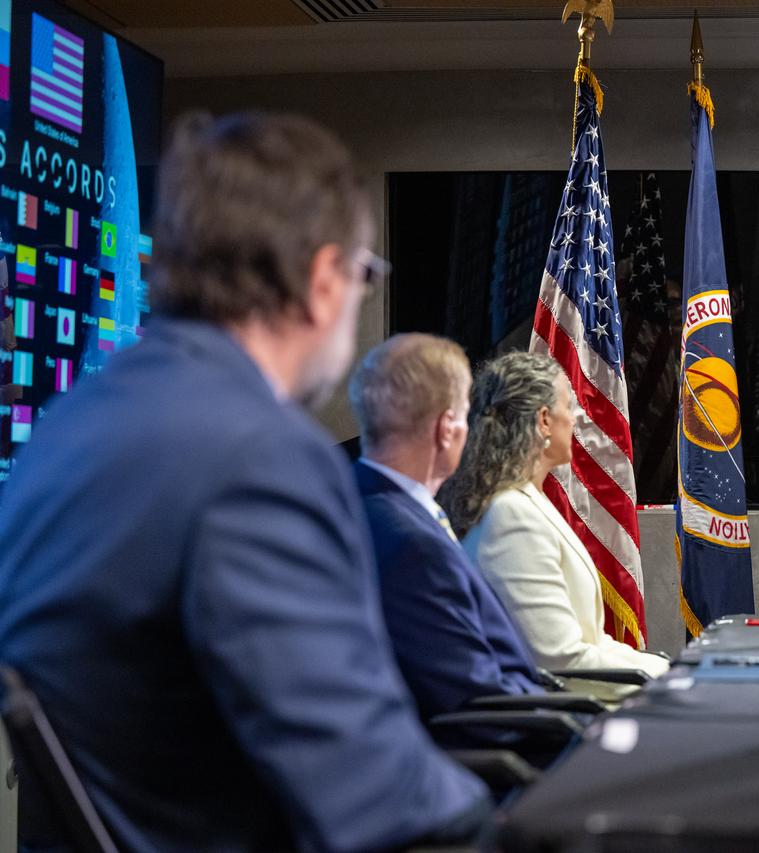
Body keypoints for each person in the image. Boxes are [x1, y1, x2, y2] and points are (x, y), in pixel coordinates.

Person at [0, 112, 489, 851]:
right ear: (325, 280)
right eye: (363, 275)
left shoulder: (64, 428)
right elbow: (381, 797)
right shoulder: (263, 457)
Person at [348, 333, 544, 723]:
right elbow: (478, 701)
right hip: (507, 751)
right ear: (446, 428)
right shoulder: (411, 543)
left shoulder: (356, 502)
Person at [439, 352, 669, 679]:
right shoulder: (510, 516)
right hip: (569, 715)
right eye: (568, 406)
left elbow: (592, 641)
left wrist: (669, 669)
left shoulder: (527, 499)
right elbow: (560, 659)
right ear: (544, 419)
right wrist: (670, 677)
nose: (575, 419)